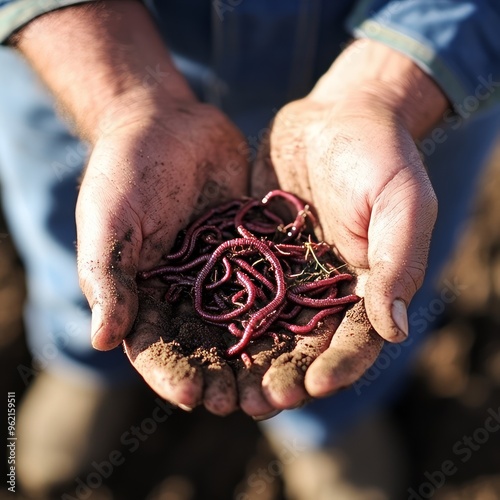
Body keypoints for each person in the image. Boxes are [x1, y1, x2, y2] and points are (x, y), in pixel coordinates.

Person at [1, 0, 500, 498]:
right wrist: (124, 101)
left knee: (387, 256)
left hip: (391, 77)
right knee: (97, 247)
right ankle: (83, 359)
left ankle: (331, 418)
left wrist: (385, 90)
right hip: (96, 62)